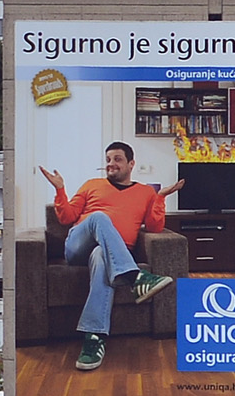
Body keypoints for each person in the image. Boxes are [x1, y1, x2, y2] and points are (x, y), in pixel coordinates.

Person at [40, 140, 179, 374]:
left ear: (131, 163)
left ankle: (93, 338)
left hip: (108, 254)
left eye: (117, 159)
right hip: (78, 246)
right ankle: (137, 278)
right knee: (100, 218)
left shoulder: (145, 192)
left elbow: (154, 227)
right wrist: (60, 190)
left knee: (102, 258)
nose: (111, 164)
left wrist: (161, 197)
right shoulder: (92, 185)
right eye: (108, 160)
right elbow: (66, 217)